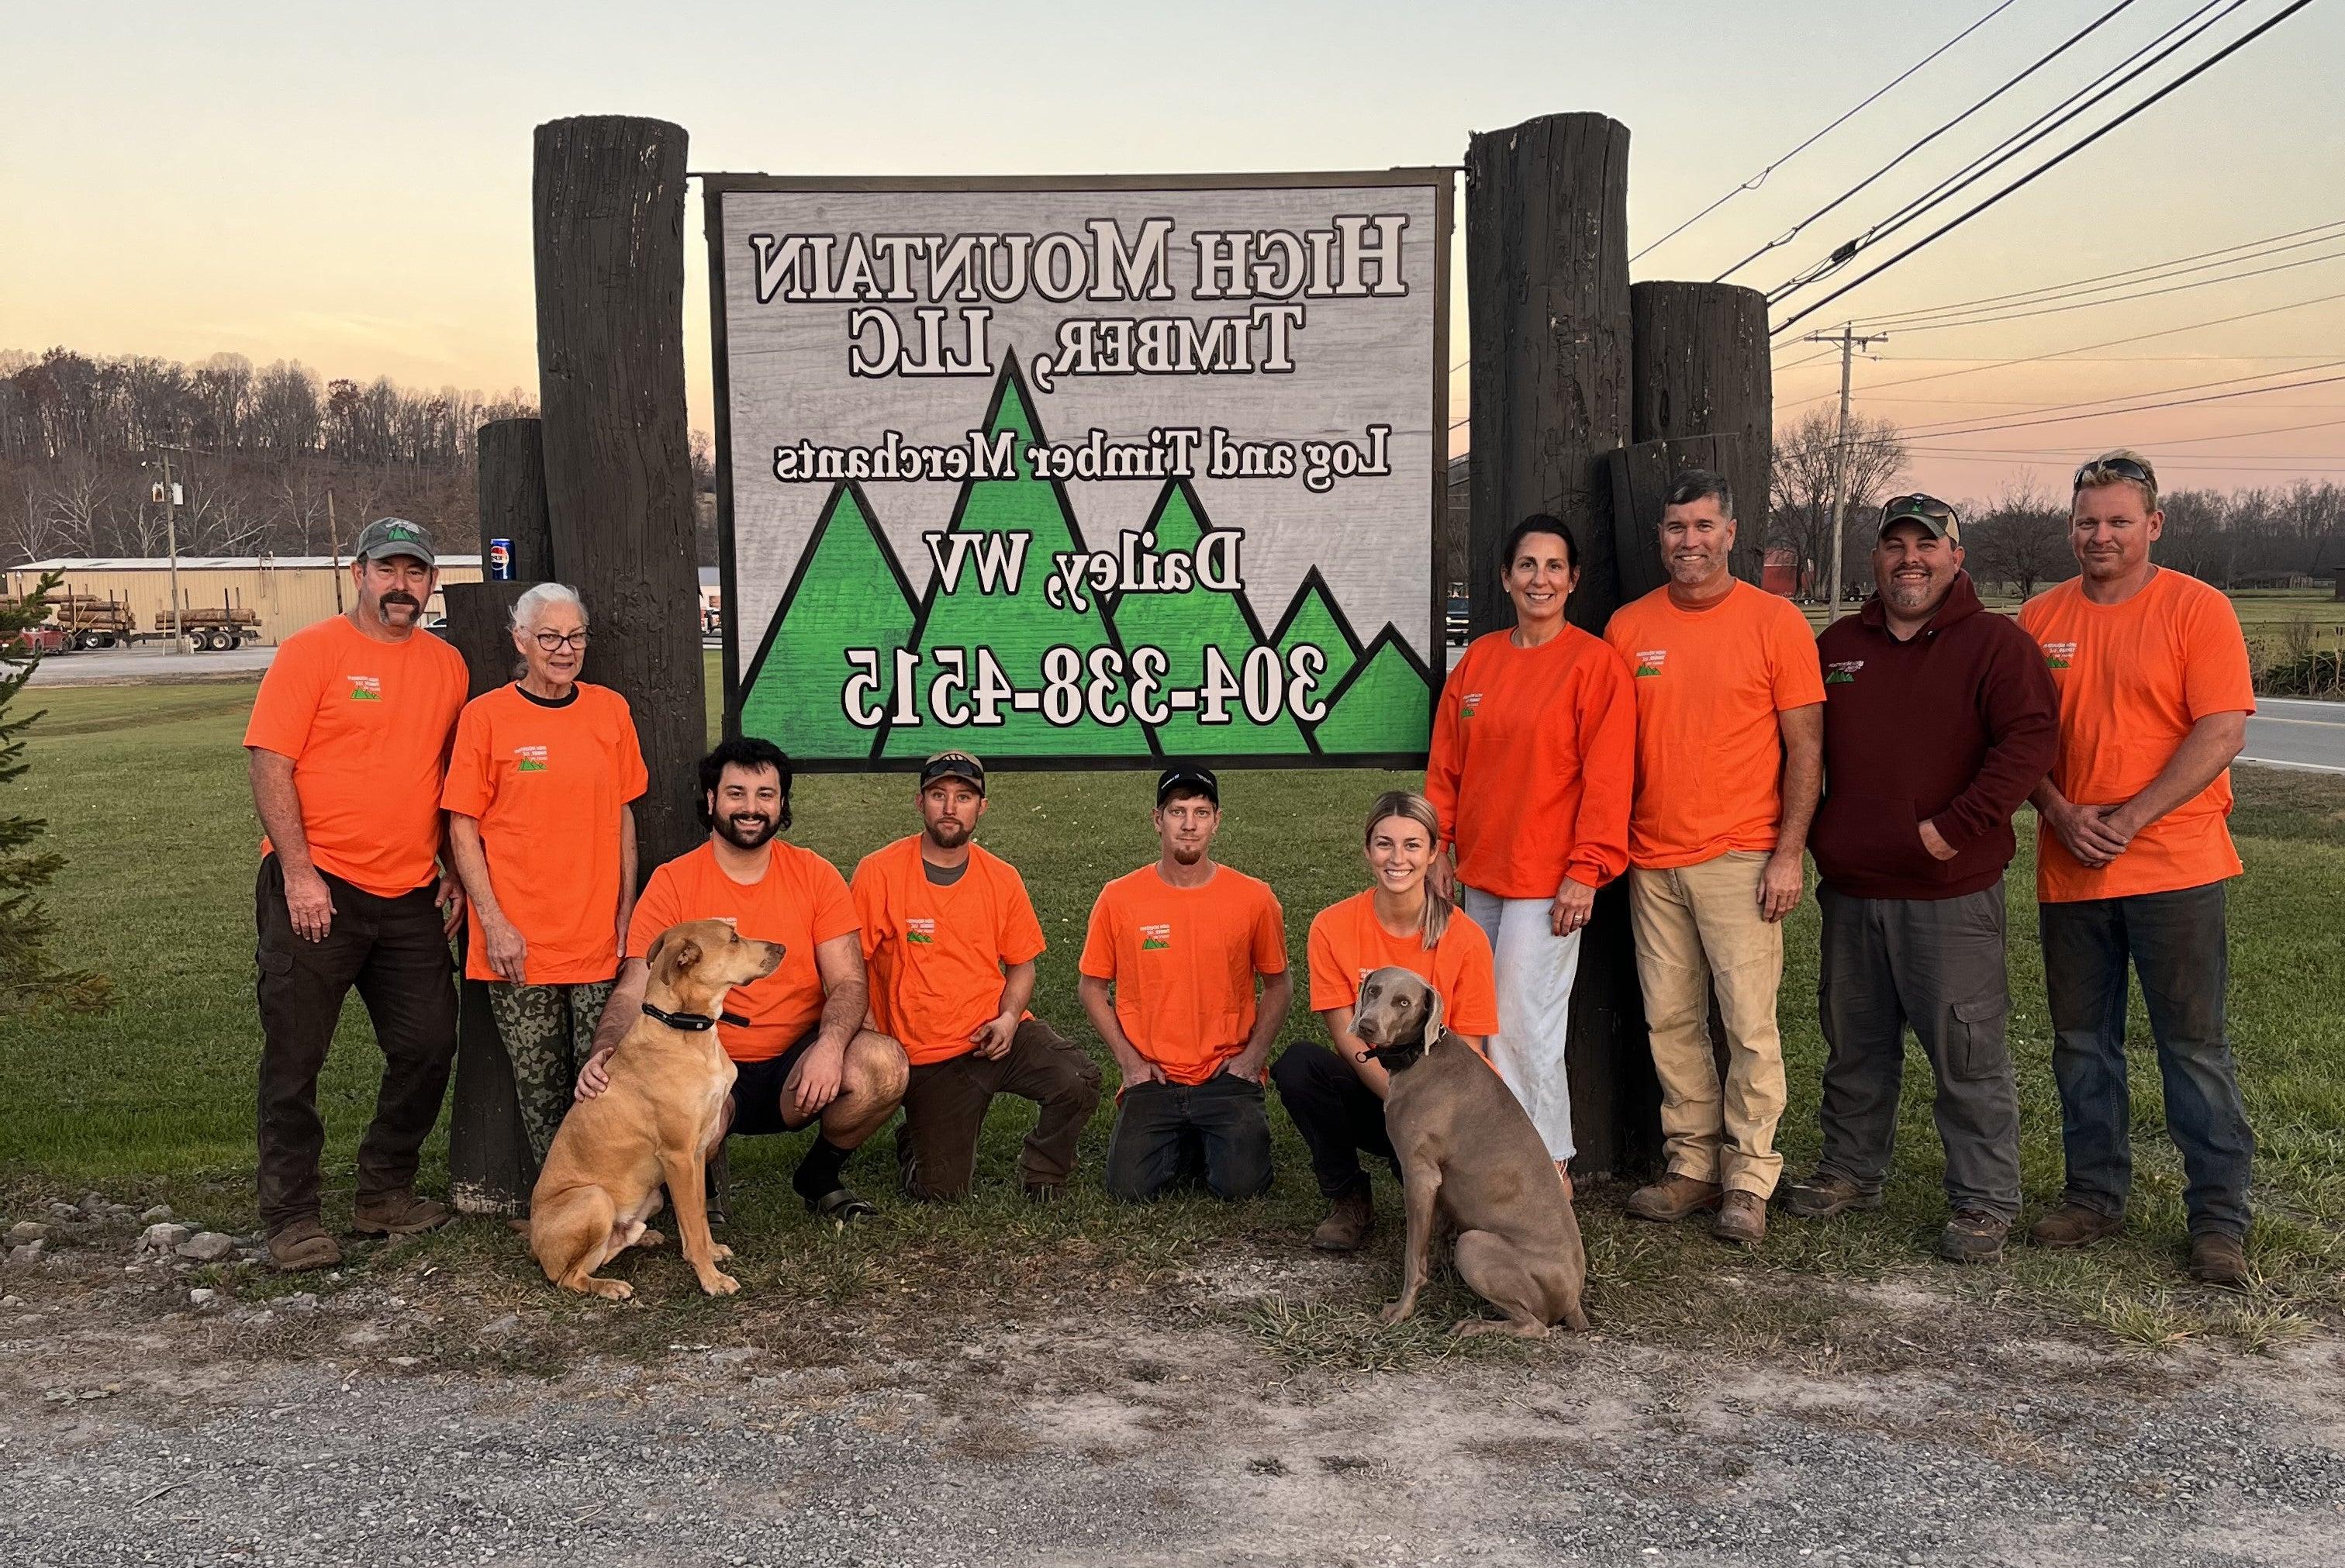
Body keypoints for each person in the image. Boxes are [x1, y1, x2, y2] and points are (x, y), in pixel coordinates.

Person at [1784, 495, 2059, 1264]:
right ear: (1875, 557)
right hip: (1854, 890)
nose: (1911, 558)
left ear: (1956, 557)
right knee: (1854, 1045)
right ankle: (1850, 1169)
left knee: (1966, 1050)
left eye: (1927, 546)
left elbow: (2029, 744)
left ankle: (1983, 1198)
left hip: (1949, 893)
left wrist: (1953, 829)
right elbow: (1801, 749)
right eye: (1896, 544)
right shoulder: (1838, 645)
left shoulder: (1995, 647)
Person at [2017, 450, 2257, 1289]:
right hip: (2072, 868)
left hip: (2175, 866)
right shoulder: (2039, 618)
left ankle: (2219, 1219)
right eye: (2088, 520)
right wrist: (2058, 810)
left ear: (2154, 525)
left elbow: (2221, 732)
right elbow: (2017, 740)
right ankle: (2093, 1195)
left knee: (2192, 1048)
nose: (2101, 534)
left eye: (2120, 520)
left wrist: (2128, 818)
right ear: (2071, 527)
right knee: (2082, 1045)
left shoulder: (2198, 609)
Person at [1603, 470, 1825, 1249]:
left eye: (1703, 526)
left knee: (1749, 1024)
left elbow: (1806, 749)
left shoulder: (1775, 623)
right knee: (1670, 1020)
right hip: (1650, 858)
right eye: (1675, 528)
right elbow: (1607, 748)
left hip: (1741, 855)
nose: (1689, 541)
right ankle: (1692, 1166)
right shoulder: (1628, 629)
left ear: (1732, 532)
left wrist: (1787, 854)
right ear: (1659, 537)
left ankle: (1752, 1175)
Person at [243, 516, 469, 1271]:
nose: (402, 586)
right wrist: (300, 871)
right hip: (318, 887)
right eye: (389, 570)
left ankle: (383, 1192)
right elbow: (270, 763)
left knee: (428, 1043)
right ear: (358, 573)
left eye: (417, 573)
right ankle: (292, 1217)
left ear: (430, 583)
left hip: (408, 891)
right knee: (295, 1058)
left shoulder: (448, 666)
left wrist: (455, 869)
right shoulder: (313, 653)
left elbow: (444, 780)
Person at [575, 737, 907, 1222]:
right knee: (684, 1110)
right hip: (701, 1060)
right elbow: (633, 988)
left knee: (884, 1064)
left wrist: (831, 1047)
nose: (751, 808)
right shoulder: (673, 883)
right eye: (736, 793)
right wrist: (603, 1051)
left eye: (765, 795)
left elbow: (850, 983)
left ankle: (819, 1177)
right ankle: (700, 1196)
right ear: (711, 800)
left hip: (796, 1063)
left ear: (781, 803)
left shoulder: (815, 875)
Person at [1424, 514, 1633, 1190]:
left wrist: (1586, 870)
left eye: (1553, 567)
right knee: (1472, 1021)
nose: (1539, 579)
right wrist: (1438, 848)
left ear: (1573, 580)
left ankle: (1548, 1169)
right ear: (1505, 578)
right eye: (1526, 566)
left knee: (1523, 1026)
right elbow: (1447, 766)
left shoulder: (1593, 664)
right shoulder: (1479, 661)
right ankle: (1487, 1160)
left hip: (1549, 882)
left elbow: (1608, 777)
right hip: (1479, 874)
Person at [442, 582, 647, 1171]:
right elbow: (463, 828)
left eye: (575, 636)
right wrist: (494, 923)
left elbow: (622, 812)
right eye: (551, 636)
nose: (565, 649)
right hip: (517, 945)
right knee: (541, 1097)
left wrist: (626, 907)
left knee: (608, 1083)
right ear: (522, 640)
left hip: (596, 936)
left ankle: (615, 1205)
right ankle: (559, 1210)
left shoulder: (610, 711)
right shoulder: (485, 717)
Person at [851, 751, 1102, 1202]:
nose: (951, 807)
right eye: (938, 795)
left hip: (996, 1034)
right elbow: (853, 967)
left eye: (964, 797)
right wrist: (873, 1038)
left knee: (1079, 1078)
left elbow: (1021, 964)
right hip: (929, 1053)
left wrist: (1008, 1019)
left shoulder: (1001, 877)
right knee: (941, 1194)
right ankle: (916, 1143)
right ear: (920, 802)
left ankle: (1044, 1172)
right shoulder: (880, 872)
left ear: (981, 807)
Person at [1273, 791, 1501, 1251]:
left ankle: (1454, 1201)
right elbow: (1347, 1035)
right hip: (1377, 1087)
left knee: (1461, 1239)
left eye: (1413, 845)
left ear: (1434, 853)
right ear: (1367, 849)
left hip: (1443, 1109)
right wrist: (1400, 1104)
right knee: (1299, 1066)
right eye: (1385, 844)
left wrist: (1425, 1119)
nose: (1398, 859)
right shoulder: (1332, 927)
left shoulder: (1466, 937)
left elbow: (1471, 1051)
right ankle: (1348, 1199)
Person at [1079, 766, 1290, 1203]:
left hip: (1225, 1072)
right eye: (1178, 812)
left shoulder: (1254, 897)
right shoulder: (1119, 897)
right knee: (1129, 1191)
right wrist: (1130, 1064)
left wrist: (1251, 1059)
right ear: (1158, 819)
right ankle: (1187, 1137)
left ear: (1217, 819)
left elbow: (1279, 986)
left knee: (1241, 1188)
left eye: (1201, 812)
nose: (1189, 825)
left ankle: (1211, 1136)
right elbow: (1091, 988)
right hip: (1154, 1075)